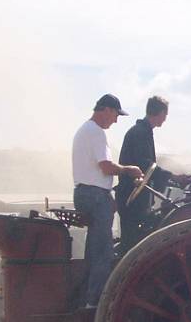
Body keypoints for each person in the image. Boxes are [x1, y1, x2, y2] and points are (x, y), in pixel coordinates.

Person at [72, 94, 143, 309]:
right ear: (107, 110)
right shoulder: (96, 132)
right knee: (103, 251)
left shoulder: (85, 130)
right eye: (115, 115)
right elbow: (105, 166)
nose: (116, 120)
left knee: (93, 249)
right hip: (95, 196)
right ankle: (95, 303)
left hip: (86, 193)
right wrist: (128, 170)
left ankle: (87, 296)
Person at [115, 95, 177, 252]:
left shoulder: (142, 131)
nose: (165, 119)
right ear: (160, 113)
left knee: (132, 241)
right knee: (131, 243)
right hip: (132, 200)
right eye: (165, 115)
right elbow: (146, 165)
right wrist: (172, 177)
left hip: (133, 199)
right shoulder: (140, 133)